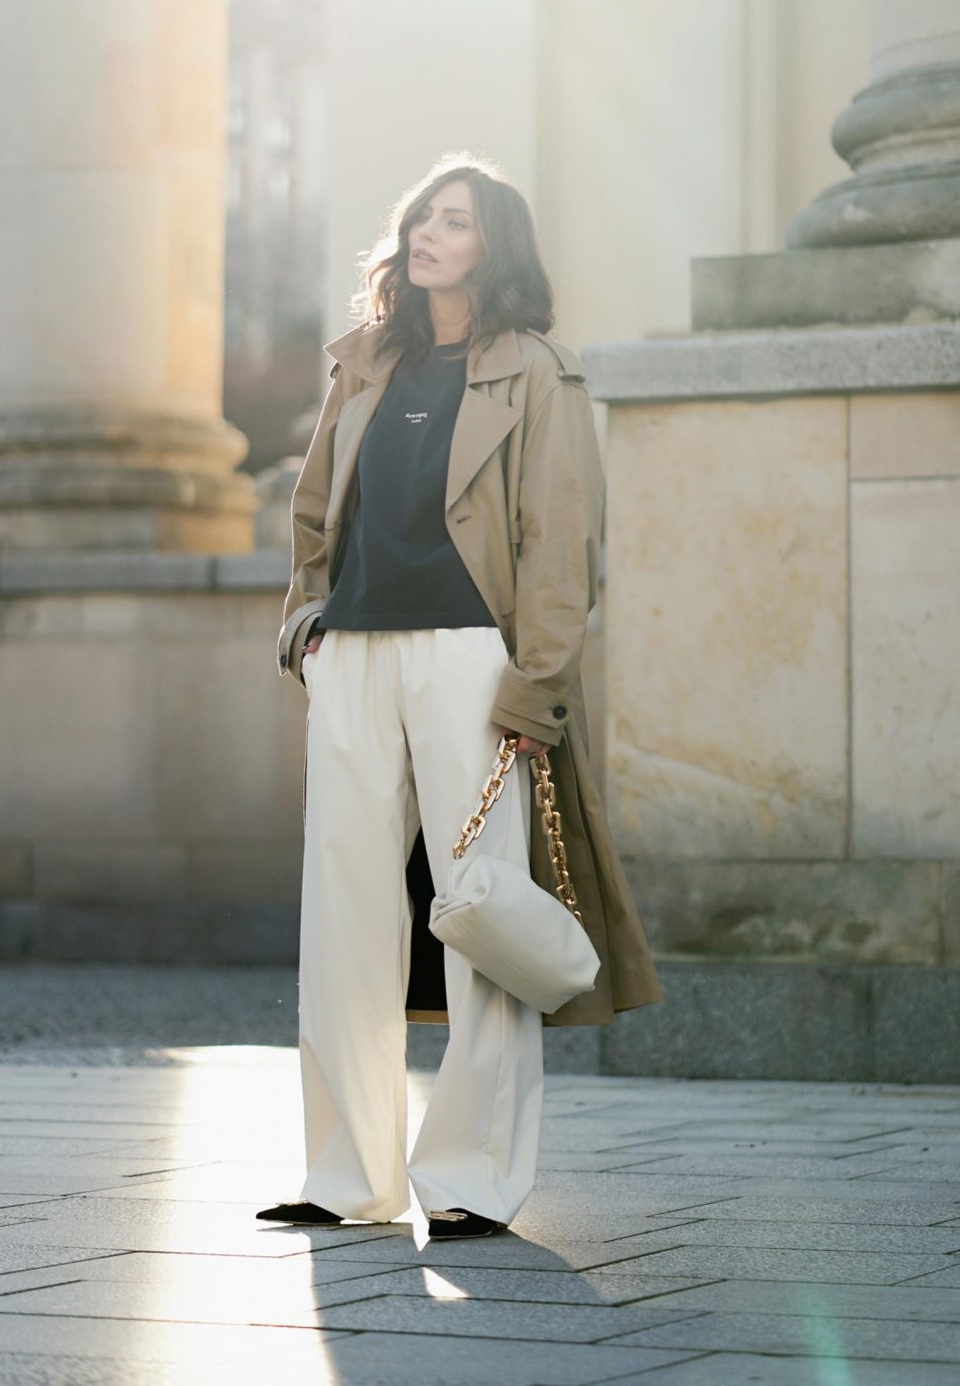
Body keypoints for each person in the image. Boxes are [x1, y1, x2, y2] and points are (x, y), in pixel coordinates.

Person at [258, 153, 661, 1242]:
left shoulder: (533, 369)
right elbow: (311, 515)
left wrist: (535, 688)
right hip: (354, 653)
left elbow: (559, 543)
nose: (428, 236)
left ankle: (472, 1174)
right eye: (420, 219)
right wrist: (308, 626)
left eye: (456, 222)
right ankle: (345, 1174)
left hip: (471, 662)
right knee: (342, 909)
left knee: (476, 900)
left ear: (496, 248)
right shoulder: (367, 361)